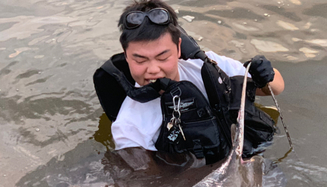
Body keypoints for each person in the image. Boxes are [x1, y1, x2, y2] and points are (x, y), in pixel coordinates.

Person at [94, 0, 284, 164]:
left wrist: (265, 76)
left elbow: (276, 89)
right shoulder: (130, 125)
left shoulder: (206, 67)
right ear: (126, 56)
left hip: (251, 153)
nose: (153, 69)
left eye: (162, 57)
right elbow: (148, 185)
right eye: (140, 60)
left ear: (178, 48)